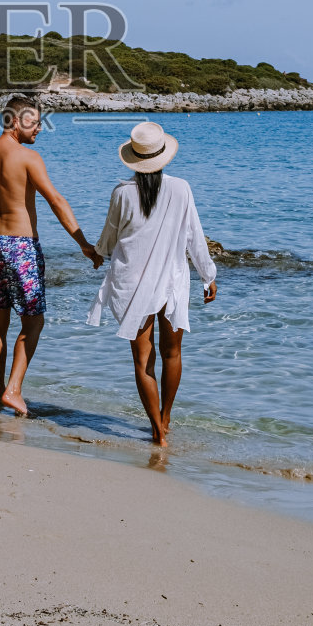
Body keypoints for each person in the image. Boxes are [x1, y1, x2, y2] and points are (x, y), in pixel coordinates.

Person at [0, 94, 102, 416]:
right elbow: (56, 201)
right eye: (34, 122)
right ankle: (13, 390)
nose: (39, 128)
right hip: (20, 246)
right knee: (34, 321)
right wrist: (83, 243)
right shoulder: (28, 158)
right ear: (15, 121)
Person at [87, 121, 216, 445]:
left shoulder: (122, 193)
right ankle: (166, 417)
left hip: (133, 285)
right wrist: (208, 275)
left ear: (134, 158)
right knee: (172, 354)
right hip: (172, 281)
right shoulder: (181, 188)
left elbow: (109, 238)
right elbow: (194, 236)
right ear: (163, 155)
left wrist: (97, 253)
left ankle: (157, 431)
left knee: (143, 360)